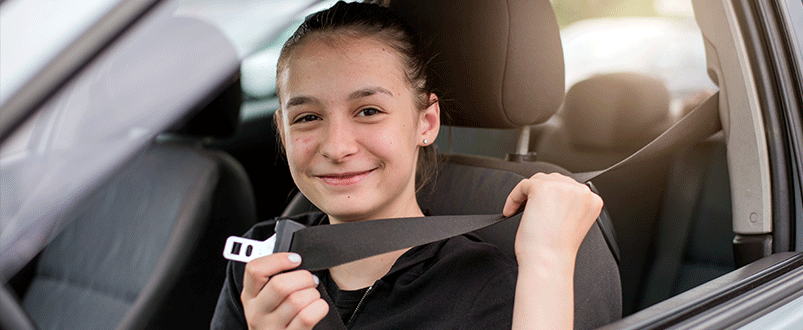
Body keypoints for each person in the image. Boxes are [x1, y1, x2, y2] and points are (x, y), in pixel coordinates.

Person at [211, 2, 603, 329]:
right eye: (307, 117)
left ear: (426, 122)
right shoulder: (264, 262)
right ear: (281, 130)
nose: (337, 146)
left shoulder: (479, 284)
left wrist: (546, 257)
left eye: (368, 111)